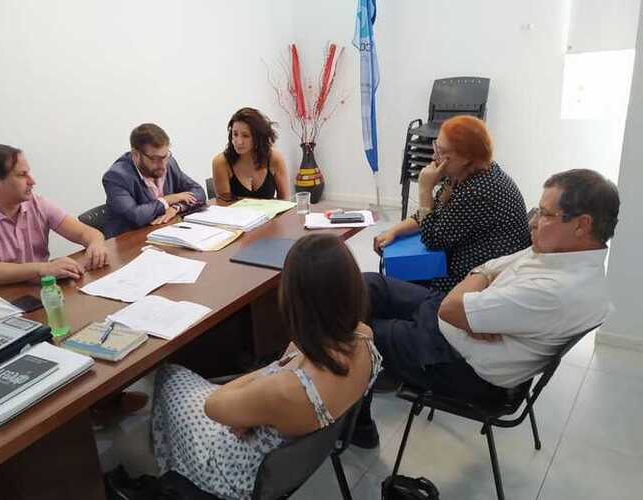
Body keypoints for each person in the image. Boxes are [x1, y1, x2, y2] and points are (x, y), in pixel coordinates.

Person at [352, 169, 619, 449]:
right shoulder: (562, 252)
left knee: (353, 332)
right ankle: (361, 384)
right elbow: (487, 269)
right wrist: (479, 285)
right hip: (455, 326)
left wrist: (474, 290)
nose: (534, 222)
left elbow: (451, 307)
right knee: (367, 285)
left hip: (456, 361)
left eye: (545, 214)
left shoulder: (557, 290)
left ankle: (356, 421)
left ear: (582, 225)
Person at [151, 234, 382, 499]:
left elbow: (213, 405)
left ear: (295, 302)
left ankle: (174, 478)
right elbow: (291, 360)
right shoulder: (364, 337)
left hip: (236, 473)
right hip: (293, 440)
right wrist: (262, 400)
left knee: (169, 375)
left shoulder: (287, 389)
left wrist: (261, 386)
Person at [373, 116, 531, 292]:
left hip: (475, 282)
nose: (434, 156)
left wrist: (425, 189)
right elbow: (433, 213)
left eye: (441, 151)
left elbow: (432, 239)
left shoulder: (478, 190)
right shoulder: (468, 173)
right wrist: (394, 230)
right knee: (384, 283)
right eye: (436, 147)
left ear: (465, 157)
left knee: (380, 286)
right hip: (464, 266)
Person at [0, 144, 109, 293]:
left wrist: (96, 244)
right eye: (22, 175)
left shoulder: (37, 204)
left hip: (37, 293)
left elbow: (85, 233)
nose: (32, 181)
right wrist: (42, 268)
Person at [103, 123, 206, 237]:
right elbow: (136, 216)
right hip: (129, 242)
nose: (162, 164)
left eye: (165, 156)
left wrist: (175, 208)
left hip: (165, 232)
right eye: (155, 159)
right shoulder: (116, 176)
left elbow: (199, 193)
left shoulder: (168, 163)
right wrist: (168, 200)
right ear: (136, 154)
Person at [211, 107, 290, 201]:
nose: (238, 142)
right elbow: (224, 205)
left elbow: (285, 201)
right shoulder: (220, 162)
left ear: (258, 138)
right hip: (237, 215)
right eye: (235, 134)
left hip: (272, 215)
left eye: (245, 136)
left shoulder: (274, 158)